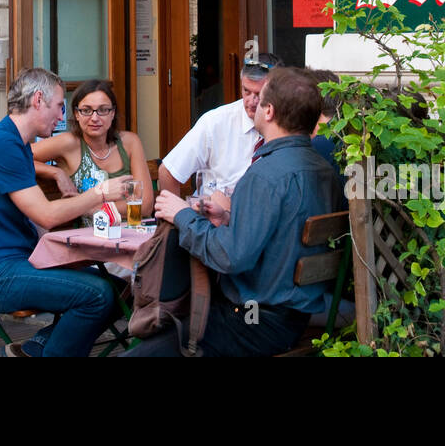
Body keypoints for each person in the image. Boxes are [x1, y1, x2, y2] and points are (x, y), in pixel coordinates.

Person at [126, 66, 344, 357]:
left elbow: (231, 257)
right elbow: (285, 232)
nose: (251, 104)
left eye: (260, 98)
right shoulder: (321, 167)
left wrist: (183, 214)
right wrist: (231, 218)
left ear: (269, 112)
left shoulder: (266, 174)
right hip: (293, 314)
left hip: (252, 319)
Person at [0, 67, 131, 357]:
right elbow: (44, 215)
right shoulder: (3, 143)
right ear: (37, 100)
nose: (61, 116)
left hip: (13, 261)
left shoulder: (16, 143)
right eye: (59, 106)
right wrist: (101, 193)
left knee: (120, 287)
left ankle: (34, 349)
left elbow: (37, 215)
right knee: (97, 295)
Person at [158, 52, 283, 196]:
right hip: (211, 215)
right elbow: (168, 172)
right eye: (246, 91)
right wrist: (178, 216)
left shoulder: (287, 125)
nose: (251, 101)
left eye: (258, 94)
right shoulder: (215, 122)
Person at [32, 79, 153, 221]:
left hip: (133, 235)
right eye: (86, 110)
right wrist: (55, 172)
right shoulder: (68, 143)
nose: (94, 118)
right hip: (88, 238)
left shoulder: (130, 142)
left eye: (103, 110)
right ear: (77, 114)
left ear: (112, 113)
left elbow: (145, 205)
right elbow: (15, 154)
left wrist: (89, 208)